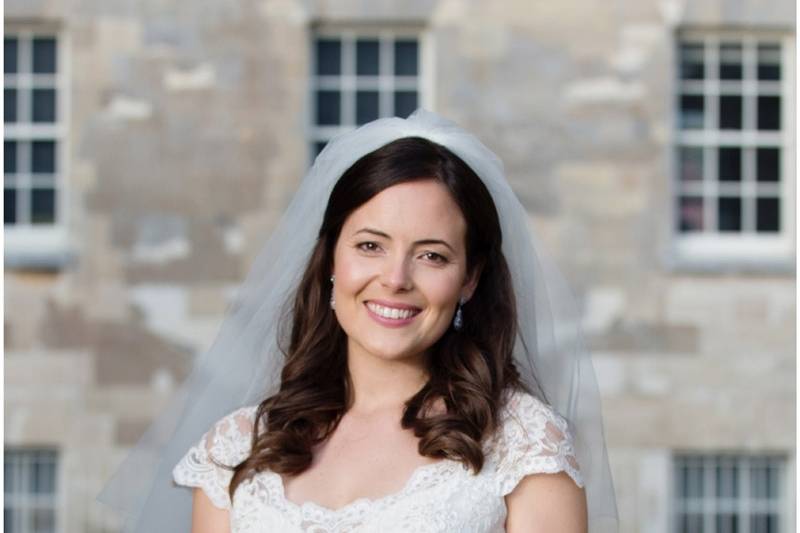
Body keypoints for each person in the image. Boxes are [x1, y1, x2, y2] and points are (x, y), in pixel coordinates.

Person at [97, 109, 619, 532]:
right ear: (329, 260)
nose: (395, 278)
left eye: (432, 255)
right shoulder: (238, 449)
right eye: (370, 246)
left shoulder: (523, 444)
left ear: (470, 278)